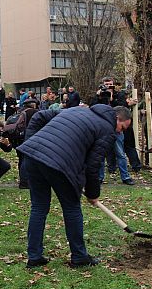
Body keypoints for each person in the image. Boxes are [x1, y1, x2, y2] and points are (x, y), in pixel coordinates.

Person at [18, 104, 132, 269]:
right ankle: (79, 256)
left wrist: (31, 143)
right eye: (122, 127)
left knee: (39, 207)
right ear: (116, 118)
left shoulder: (77, 110)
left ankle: (34, 256)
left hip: (32, 156)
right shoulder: (108, 130)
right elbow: (94, 166)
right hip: (58, 163)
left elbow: (39, 116)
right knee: (71, 208)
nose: (120, 132)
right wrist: (93, 193)